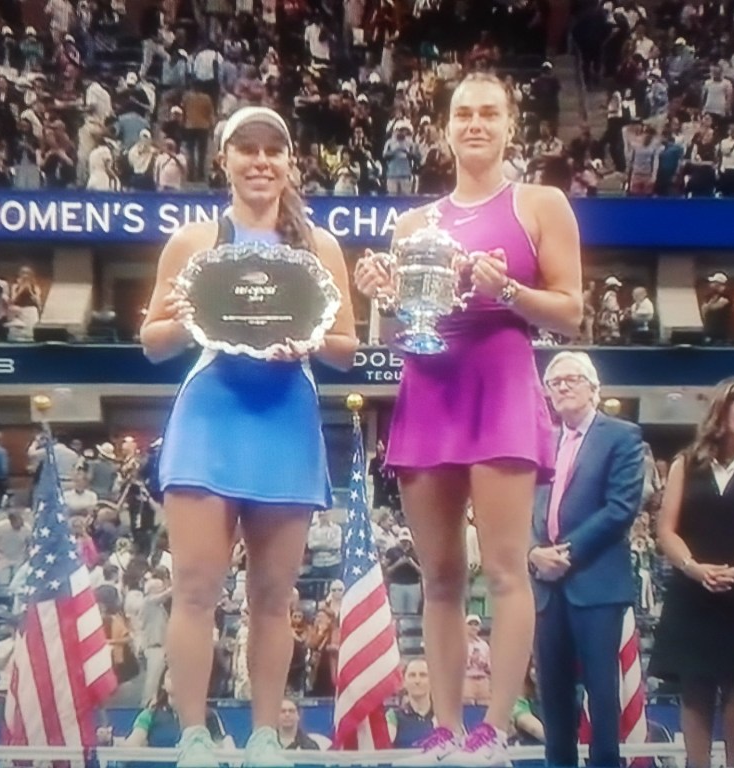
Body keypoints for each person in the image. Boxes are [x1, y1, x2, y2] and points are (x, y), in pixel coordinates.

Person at [354, 71, 582, 765]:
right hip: (430, 388)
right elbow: (408, 323)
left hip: (501, 383)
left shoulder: (541, 203)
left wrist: (507, 289)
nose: (476, 124)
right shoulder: (413, 225)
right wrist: (382, 295)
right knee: (441, 575)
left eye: (489, 112)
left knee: (506, 569)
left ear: (511, 126)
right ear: (445, 129)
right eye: (463, 114)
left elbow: (570, 313)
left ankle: (495, 727)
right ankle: (447, 727)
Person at [139, 105, 358, 768]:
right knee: (196, 588)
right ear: (225, 160)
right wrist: (186, 321)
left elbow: (346, 349)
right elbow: (152, 342)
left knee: (273, 595)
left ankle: (265, 736)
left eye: (273, 150)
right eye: (247, 150)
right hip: (211, 418)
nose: (260, 162)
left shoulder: (320, 248)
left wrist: (309, 341)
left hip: (285, 419)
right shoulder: (192, 242)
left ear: (290, 161)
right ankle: (194, 736)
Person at [650, 378, 734, 768]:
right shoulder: (686, 462)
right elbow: (666, 529)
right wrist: (693, 568)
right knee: (695, 686)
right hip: (693, 587)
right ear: (722, 410)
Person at [530, 351, 644, 768]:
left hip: (596, 583)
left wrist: (565, 553)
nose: (561, 387)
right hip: (545, 586)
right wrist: (533, 553)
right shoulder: (541, 440)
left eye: (571, 379)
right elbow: (524, 509)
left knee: (602, 695)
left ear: (594, 388)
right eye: (554, 382)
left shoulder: (622, 436)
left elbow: (620, 508)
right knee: (553, 696)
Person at [387, 658, 437, 748]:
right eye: (412, 675)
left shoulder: (442, 716)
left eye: (423, 675)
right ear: (404, 682)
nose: (417, 681)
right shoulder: (393, 716)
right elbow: (384, 750)